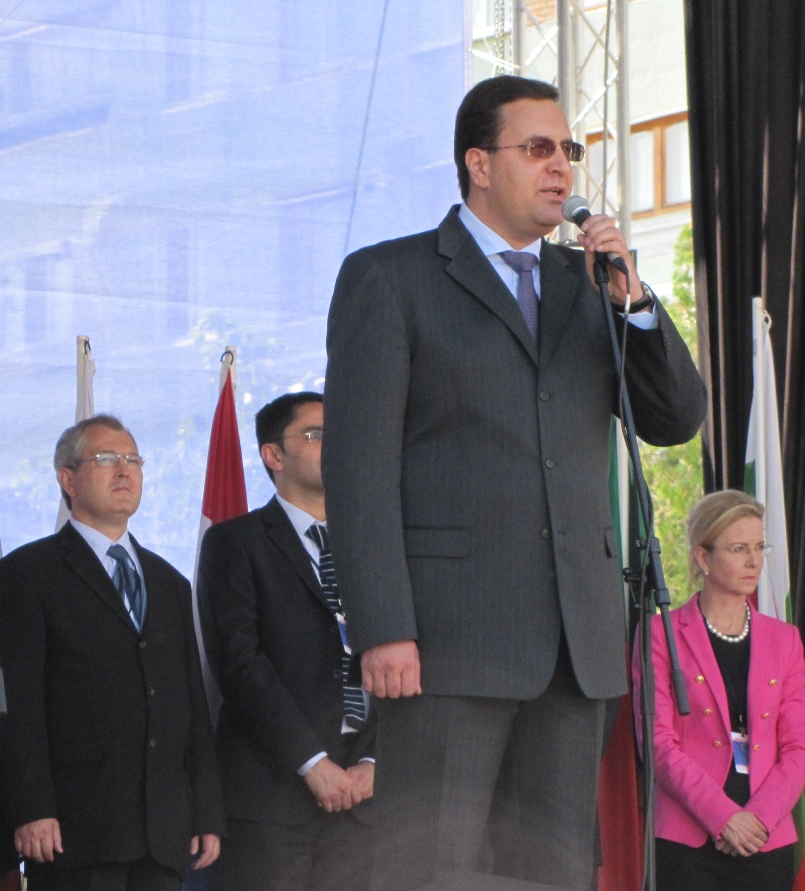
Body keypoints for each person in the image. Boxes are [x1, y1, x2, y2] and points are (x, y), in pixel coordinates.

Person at [322, 74, 706, 890]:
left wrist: (634, 301)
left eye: (569, 149)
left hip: (574, 645)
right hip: (446, 643)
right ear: (478, 163)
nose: (560, 165)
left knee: (556, 871)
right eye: (537, 148)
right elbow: (358, 470)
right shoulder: (391, 278)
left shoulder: (590, 283)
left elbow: (675, 417)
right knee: (431, 868)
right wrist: (382, 626)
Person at [0, 414, 225, 891]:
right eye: (107, 458)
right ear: (67, 478)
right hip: (75, 827)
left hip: (162, 830)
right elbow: (19, 704)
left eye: (133, 460)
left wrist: (206, 809)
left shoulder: (170, 582)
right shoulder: (28, 572)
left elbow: (192, 706)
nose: (124, 470)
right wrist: (32, 807)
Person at [197, 391, 375, 890]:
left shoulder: (372, 543)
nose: (333, 444)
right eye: (315, 434)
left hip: (366, 798)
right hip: (272, 796)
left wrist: (373, 760)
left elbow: (401, 650)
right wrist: (313, 763)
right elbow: (240, 664)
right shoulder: (235, 542)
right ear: (273, 455)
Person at [634, 490, 805, 891]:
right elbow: (657, 742)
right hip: (686, 838)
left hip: (766, 837)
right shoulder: (660, 634)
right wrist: (724, 817)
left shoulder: (785, 640)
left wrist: (757, 819)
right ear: (703, 558)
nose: (754, 561)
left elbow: (798, 747)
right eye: (739, 549)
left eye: (760, 547)